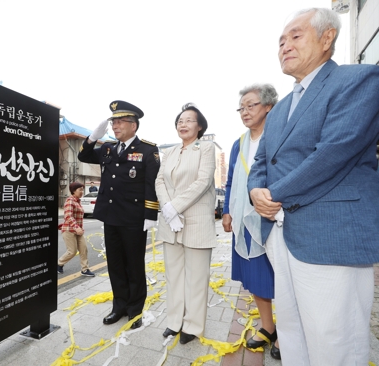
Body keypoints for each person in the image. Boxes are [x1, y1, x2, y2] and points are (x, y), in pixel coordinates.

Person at [248, 8, 379, 366]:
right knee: (291, 332)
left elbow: (334, 153)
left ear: (327, 38)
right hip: (281, 234)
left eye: (295, 36)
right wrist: (256, 190)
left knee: (335, 339)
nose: (284, 46)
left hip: (330, 233)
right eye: (280, 41)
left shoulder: (359, 80)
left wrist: (273, 194)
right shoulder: (280, 109)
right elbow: (262, 163)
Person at [78, 100, 160, 329]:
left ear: (134, 125)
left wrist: (150, 215)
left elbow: (150, 184)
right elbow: (83, 156)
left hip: (134, 218)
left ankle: (135, 310)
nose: (115, 126)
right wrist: (92, 138)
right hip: (111, 216)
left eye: (120, 121)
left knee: (134, 265)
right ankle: (119, 306)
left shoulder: (147, 149)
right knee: (115, 264)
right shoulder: (107, 149)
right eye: (113, 121)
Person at [222, 84, 280, 359]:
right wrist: (226, 211)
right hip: (245, 221)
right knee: (256, 277)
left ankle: (290, 333)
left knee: (283, 279)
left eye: (251, 105)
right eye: (241, 107)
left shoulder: (281, 135)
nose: (244, 112)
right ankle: (268, 326)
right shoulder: (239, 144)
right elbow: (231, 180)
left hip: (275, 217)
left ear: (268, 106)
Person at [155, 103, 216, 344]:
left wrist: (175, 206)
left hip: (196, 221)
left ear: (199, 126)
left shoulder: (206, 148)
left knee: (196, 277)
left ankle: (193, 326)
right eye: (180, 120)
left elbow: (203, 181)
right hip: (171, 222)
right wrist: (168, 209)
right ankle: (174, 321)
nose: (183, 123)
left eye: (189, 120)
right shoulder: (168, 152)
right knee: (174, 275)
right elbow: (159, 181)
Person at [58, 182, 95, 277]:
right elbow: (68, 216)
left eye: (82, 189)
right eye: (80, 190)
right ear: (74, 191)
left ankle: (85, 269)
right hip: (69, 230)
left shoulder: (78, 201)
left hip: (78, 230)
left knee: (83, 249)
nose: (82, 192)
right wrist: (76, 227)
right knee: (72, 251)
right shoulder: (70, 201)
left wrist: (79, 229)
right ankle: (59, 264)